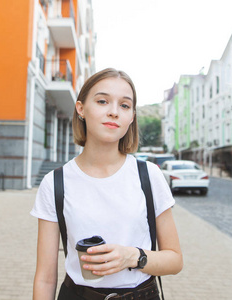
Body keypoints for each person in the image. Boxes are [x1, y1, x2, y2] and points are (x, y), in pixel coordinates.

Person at [31, 68, 183, 300]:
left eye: (124, 105)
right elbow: (45, 278)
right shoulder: (55, 183)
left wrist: (132, 257)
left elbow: (174, 259)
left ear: (131, 117)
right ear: (81, 109)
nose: (114, 112)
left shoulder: (149, 175)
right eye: (102, 101)